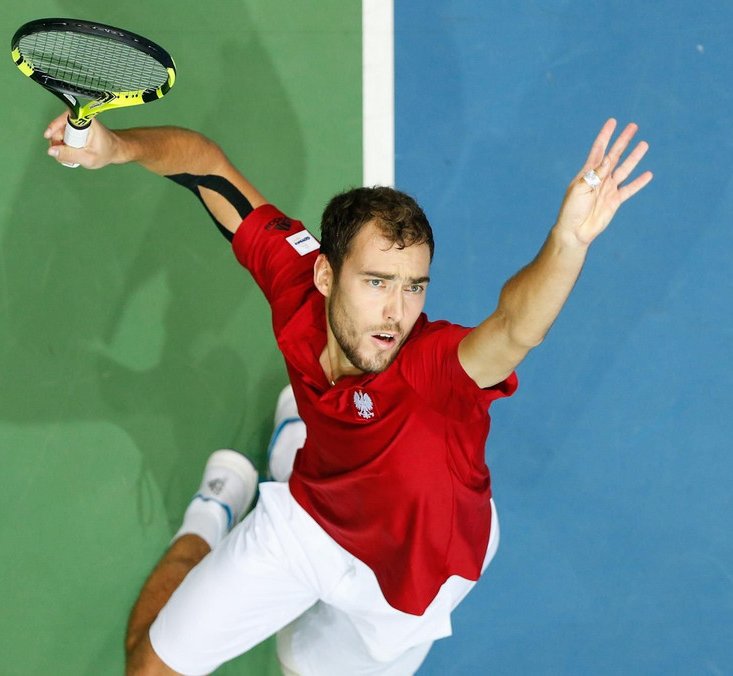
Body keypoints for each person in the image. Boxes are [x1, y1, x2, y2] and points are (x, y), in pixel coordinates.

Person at [42, 113, 651, 675]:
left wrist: (567, 243)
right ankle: (215, 508)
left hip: (410, 580)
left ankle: (287, 446)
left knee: (298, 664)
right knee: (147, 667)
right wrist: (117, 147)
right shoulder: (293, 282)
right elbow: (204, 163)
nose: (396, 312)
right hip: (313, 518)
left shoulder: (431, 368)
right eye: (377, 281)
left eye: (414, 287)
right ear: (325, 274)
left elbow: (518, 327)